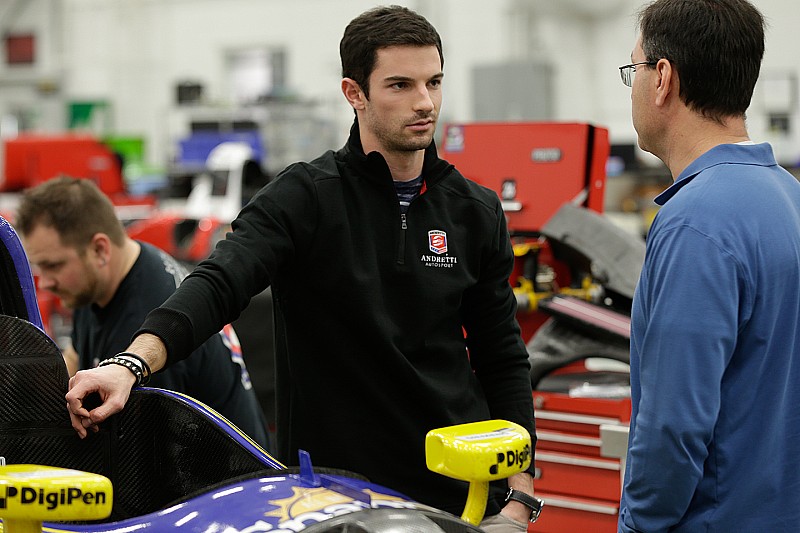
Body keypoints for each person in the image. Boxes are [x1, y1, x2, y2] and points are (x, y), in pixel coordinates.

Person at [63, 5, 540, 530]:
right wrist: (130, 364)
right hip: (338, 501)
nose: (424, 102)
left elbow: (501, 357)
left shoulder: (475, 210)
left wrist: (520, 497)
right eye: (400, 85)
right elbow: (219, 283)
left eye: (434, 82)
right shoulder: (305, 199)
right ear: (353, 93)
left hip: (462, 496)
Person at [617, 0, 800, 531]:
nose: (632, 87)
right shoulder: (788, 195)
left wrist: (638, 526)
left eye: (634, 70)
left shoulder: (695, 222)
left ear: (663, 80)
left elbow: (671, 429)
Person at [16, 176, 270, 449]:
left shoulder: (148, 318)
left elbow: (142, 460)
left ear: (100, 249)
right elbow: (76, 356)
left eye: (53, 266)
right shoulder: (101, 280)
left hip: (225, 479)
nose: (45, 282)